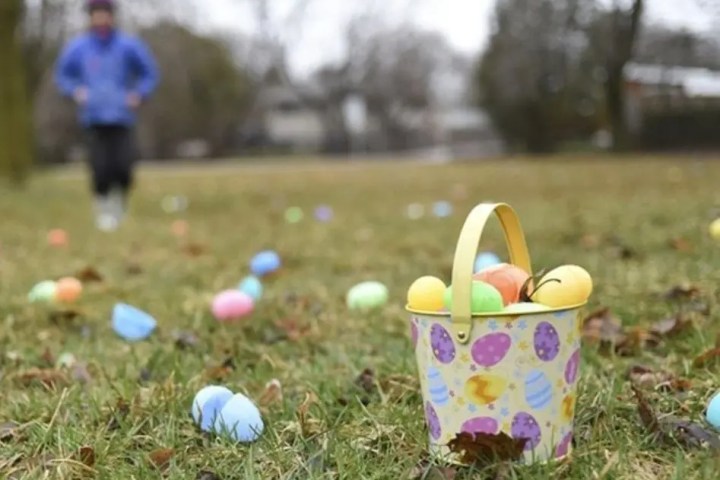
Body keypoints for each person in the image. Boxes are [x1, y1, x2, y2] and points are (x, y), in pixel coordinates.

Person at [55, 0, 159, 232]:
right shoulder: (78, 47)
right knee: (100, 167)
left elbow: (149, 73)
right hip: (93, 117)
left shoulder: (128, 45)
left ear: (112, 16)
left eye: (105, 14)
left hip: (122, 116)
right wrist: (75, 91)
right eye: (96, 14)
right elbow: (63, 76)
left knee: (122, 166)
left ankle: (119, 203)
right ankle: (103, 210)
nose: (101, 19)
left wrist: (139, 94)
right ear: (90, 17)